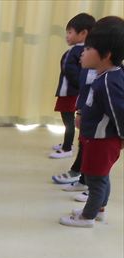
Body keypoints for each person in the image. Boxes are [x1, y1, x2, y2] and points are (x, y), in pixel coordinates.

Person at [59, 16, 124, 228]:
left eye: (88, 49)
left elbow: (120, 112)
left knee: (95, 179)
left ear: (106, 55)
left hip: (102, 141)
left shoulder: (109, 81)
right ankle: (98, 210)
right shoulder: (104, 75)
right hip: (96, 139)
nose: (82, 54)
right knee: (101, 177)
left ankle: (87, 217)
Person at [50, 13, 97, 159]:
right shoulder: (88, 50)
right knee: (70, 120)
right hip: (76, 93)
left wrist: (78, 88)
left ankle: (67, 148)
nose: (67, 36)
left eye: (70, 32)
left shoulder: (74, 51)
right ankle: (67, 143)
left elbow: (71, 72)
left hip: (69, 93)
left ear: (83, 33)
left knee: (68, 121)